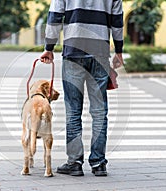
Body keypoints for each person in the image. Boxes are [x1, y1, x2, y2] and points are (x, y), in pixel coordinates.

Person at [40, 0, 124, 176]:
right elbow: (117, 21)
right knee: (100, 111)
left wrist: (49, 47)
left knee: (73, 110)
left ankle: (75, 163)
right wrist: (118, 50)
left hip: (73, 52)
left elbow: (55, 17)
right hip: (100, 52)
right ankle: (99, 163)